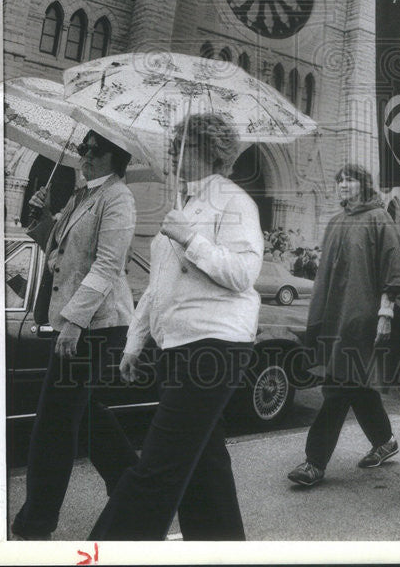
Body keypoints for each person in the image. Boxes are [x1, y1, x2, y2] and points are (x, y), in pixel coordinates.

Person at [89, 112, 263, 541]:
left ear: (208, 151)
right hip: (178, 345)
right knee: (205, 462)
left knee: (157, 466)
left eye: (181, 145)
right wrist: (134, 342)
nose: (173, 153)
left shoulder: (235, 201)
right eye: (173, 145)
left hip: (214, 346)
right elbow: (157, 288)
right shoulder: (182, 206)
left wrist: (191, 239)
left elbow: (243, 274)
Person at [11, 130, 139, 540]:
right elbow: (56, 249)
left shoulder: (119, 198)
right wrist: (42, 216)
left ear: (110, 157)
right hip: (78, 321)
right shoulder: (83, 194)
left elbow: (107, 265)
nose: (82, 154)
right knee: (80, 414)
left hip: (98, 325)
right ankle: (129, 484)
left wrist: (74, 322)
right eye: (82, 147)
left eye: (90, 149)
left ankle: (36, 523)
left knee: (53, 423)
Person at [287, 164, 400, 487]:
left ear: (364, 185)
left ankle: (314, 462)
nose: (342, 185)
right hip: (333, 313)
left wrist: (386, 311)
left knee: (337, 387)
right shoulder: (337, 221)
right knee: (355, 383)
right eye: (339, 180)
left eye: (349, 179)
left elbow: (394, 266)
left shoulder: (378, 218)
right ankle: (385, 441)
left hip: (362, 316)